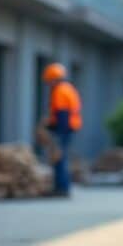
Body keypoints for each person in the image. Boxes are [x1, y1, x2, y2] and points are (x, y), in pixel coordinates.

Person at [42, 63, 81, 196]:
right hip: (68, 128)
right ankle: (62, 187)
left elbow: (62, 114)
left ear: (54, 79)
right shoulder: (68, 88)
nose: (49, 84)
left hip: (64, 129)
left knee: (59, 157)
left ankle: (62, 188)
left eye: (49, 81)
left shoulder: (60, 91)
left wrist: (58, 133)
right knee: (60, 157)